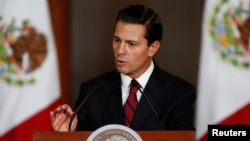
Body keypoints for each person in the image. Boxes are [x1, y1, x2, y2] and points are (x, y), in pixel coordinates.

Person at [50, 4, 196, 132]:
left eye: (131, 44)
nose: (120, 50)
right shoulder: (93, 91)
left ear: (153, 48)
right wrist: (68, 135)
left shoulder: (178, 94)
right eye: (117, 40)